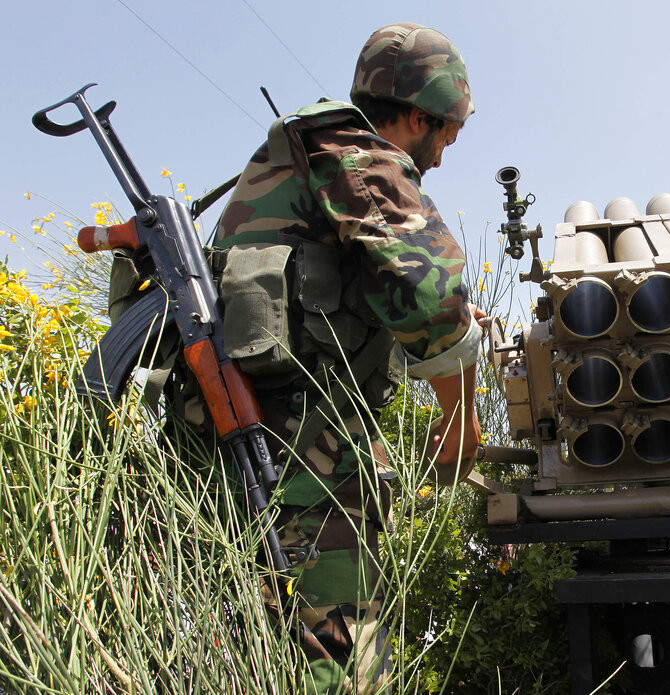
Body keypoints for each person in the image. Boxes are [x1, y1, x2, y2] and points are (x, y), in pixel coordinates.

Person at [208, 22, 482, 693]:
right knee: (336, 663)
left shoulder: (292, 160)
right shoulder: (361, 157)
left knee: (258, 649)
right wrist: (461, 420)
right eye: (444, 135)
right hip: (310, 460)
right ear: (417, 116)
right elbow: (432, 299)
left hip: (246, 448)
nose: (441, 159)